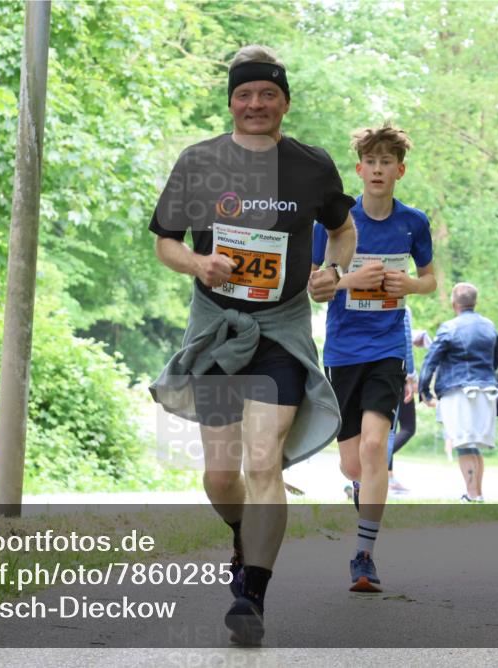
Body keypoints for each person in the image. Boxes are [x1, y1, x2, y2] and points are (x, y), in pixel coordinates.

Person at [148, 45, 356, 645]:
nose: (256, 104)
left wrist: (332, 271)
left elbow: (343, 230)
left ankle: (252, 596)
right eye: (245, 94)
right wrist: (197, 263)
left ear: (285, 102)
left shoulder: (312, 165)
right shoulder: (199, 161)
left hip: (281, 333)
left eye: (268, 94)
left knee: (263, 462)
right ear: (231, 102)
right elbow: (166, 242)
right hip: (218, 331)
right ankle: (244, 534)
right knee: (221, 477)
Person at [311, 123, 435, 592]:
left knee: (373, 447)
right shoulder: (334, 223)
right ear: (359, 170)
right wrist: (350, 281)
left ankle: (364, 555)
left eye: (387, 162)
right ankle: (365, 489)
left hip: (387, 348)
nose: (378, 169)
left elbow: (431, 280)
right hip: (343, 350)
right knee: (352, 464)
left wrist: (410, 285)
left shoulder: (413, 223)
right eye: (371, 162)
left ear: (400, 170)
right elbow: (314, 285)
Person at [417, 283, 498, 502]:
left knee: (464, 446)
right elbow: (497, 357)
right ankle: (477, 494)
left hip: (458, 392)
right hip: (486, 389)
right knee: (473, 446)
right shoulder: (489, 326)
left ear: (454, 303)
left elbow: (430, 361)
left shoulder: (449, 327)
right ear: (475, 302)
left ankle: (473, 496)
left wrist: (424, 390)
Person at [387, 306, 418, 493]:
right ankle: (379, 468)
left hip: (375, 369)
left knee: (388, 429)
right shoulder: (402, 305)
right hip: (398, 372)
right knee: (406, 427)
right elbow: (405, 339)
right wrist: (410, 375)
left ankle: (388, 476)